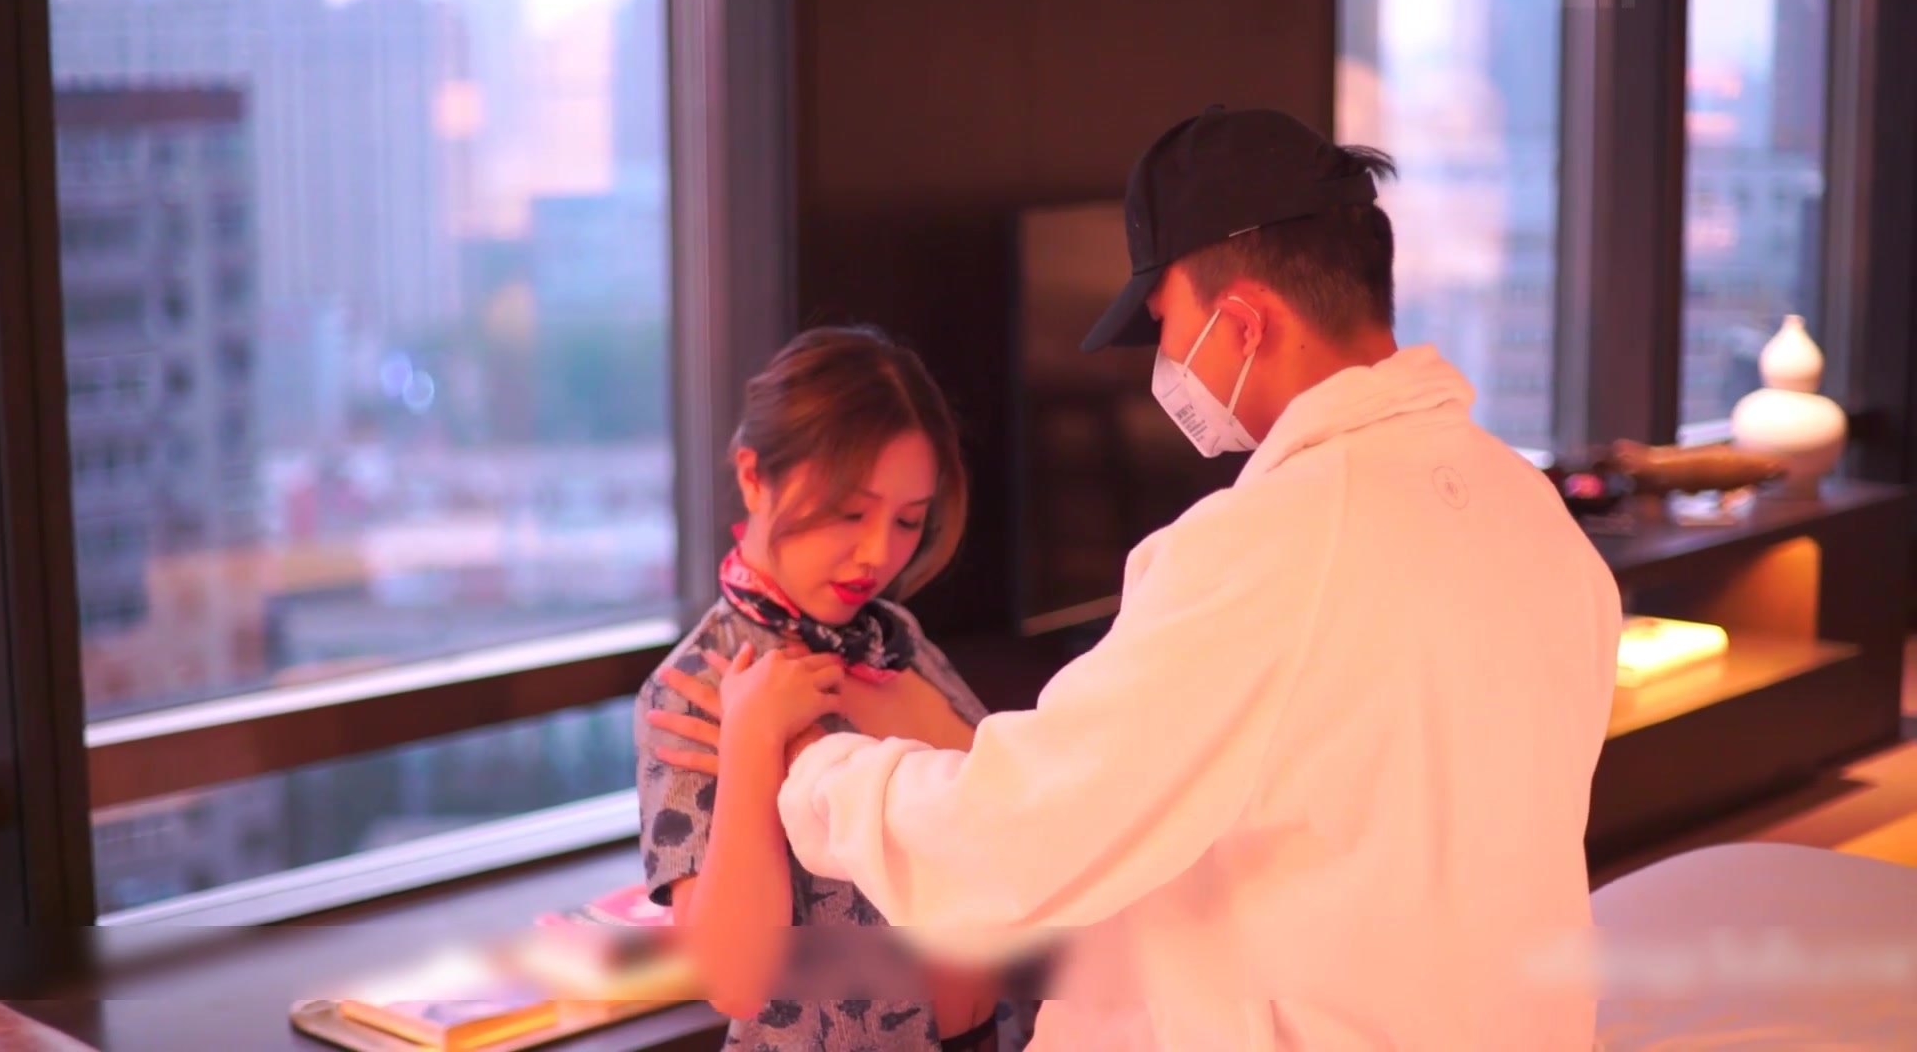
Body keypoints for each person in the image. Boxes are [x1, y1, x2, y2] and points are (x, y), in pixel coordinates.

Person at [664, 107, 1623, 1049]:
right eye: (847, 510)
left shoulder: (1271, 547)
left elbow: (1027, 833)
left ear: (1241, 321)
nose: (1165, 362)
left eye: (1165, 324)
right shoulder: (1529, 510)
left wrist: (805, 763)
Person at [634, 325, 1028, 1051]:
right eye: (849, 512)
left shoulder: (895, 639)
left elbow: (1020, 830)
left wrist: (920, 716)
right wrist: (753, 744)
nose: (878, 553)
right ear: (754, 477)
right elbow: (732, 979)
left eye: (908, 520)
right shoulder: (697, 686)